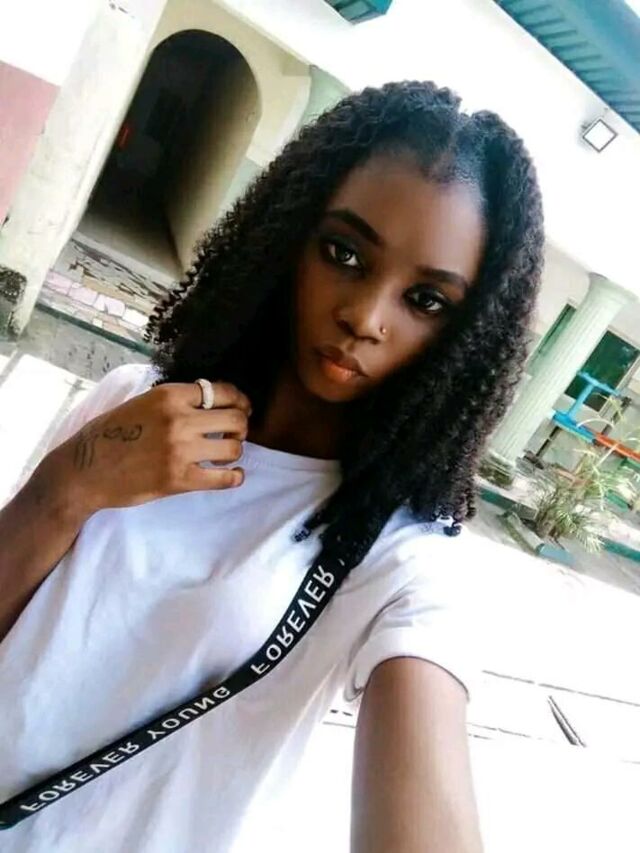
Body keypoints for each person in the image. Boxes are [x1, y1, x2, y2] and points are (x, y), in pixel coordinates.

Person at [0, 80, 544, 852]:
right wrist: (68, 485)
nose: (366, 316)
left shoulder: (402, 557)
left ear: (468, 336)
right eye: (344, 254)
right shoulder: (133, 402)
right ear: (288, 234)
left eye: (425, 300)